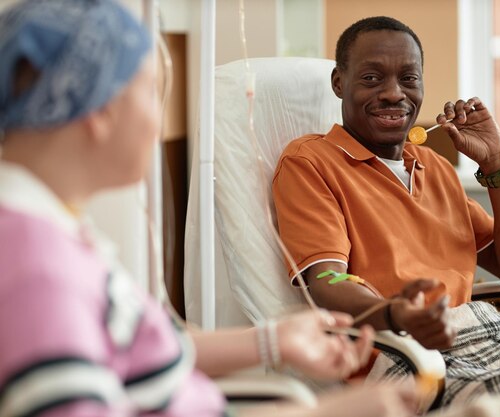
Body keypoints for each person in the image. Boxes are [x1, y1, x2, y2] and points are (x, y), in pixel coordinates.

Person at [0, 2, 422, 416]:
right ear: (99, 110)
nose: (158, 121)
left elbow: (136, 350)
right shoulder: (38, 271)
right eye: (151, 93)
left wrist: (272, 342)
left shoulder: (53, 229)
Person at [272, 16, 500, 416]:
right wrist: (396, 314)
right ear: (339, 81)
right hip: (415, 359)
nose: (393, 94)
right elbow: (326, 279)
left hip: (497, 339)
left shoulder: (432, 166)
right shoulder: (311, 163)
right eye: (372, 78)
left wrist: (496, 165)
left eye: (409, 78)